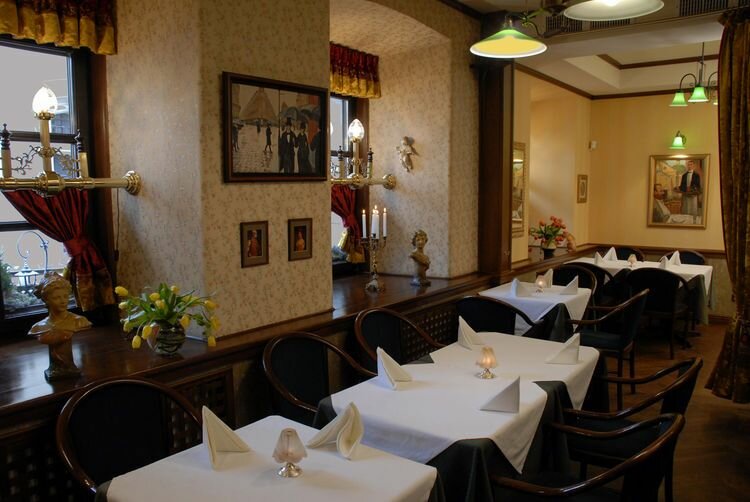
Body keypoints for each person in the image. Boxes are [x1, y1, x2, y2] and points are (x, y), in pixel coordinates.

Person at [28, 273, 90, 380]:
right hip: (54, 371)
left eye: (65, 296)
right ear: (46, 300)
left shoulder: (79, 321)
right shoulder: (38, 327)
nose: (63, 301)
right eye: (56, 298)